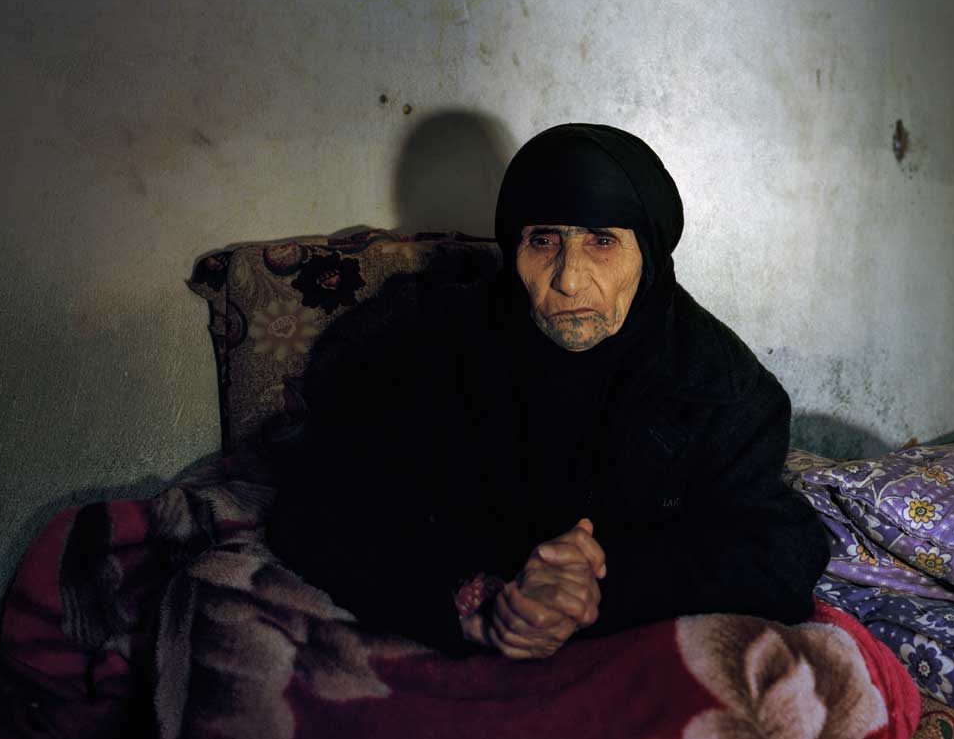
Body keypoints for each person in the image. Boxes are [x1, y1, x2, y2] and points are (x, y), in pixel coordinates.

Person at [268, 123, 828, 660]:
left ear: (650, 256)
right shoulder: (428, 343)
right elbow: (316, 508)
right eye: (543, 241)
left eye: (603, 242)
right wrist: (468, 604)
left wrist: (600, 586)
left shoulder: (721, 385)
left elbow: (780, 553)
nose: (568, 278)